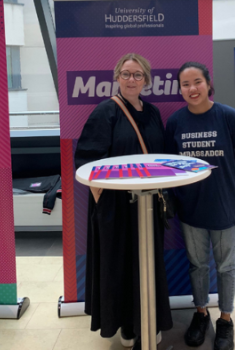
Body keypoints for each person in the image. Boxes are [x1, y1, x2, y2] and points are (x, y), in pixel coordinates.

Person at [75, 53, 173, 349]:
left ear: (147, 80)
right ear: (117, 77)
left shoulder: (154, 112)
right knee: (119, 264)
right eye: (127, 74)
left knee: (148, 263)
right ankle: (127, 326)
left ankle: (150, 320)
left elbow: (162, 156)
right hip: (115, 208)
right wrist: (103, 201)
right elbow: (88, 160)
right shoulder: (105, 112)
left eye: (138, 75)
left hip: (148, 204)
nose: (132, 80)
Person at [165, 62, 235, 350]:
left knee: (226, 266)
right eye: (185, 84)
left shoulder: (229, 116)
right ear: (180, 89)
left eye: (197, 82)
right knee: (197, 265)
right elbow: (171, 165)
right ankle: (201, 313)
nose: (192, 88)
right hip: (190, 207)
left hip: (225, 204)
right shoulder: (176, 122)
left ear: (208, 83)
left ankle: (225, 320)